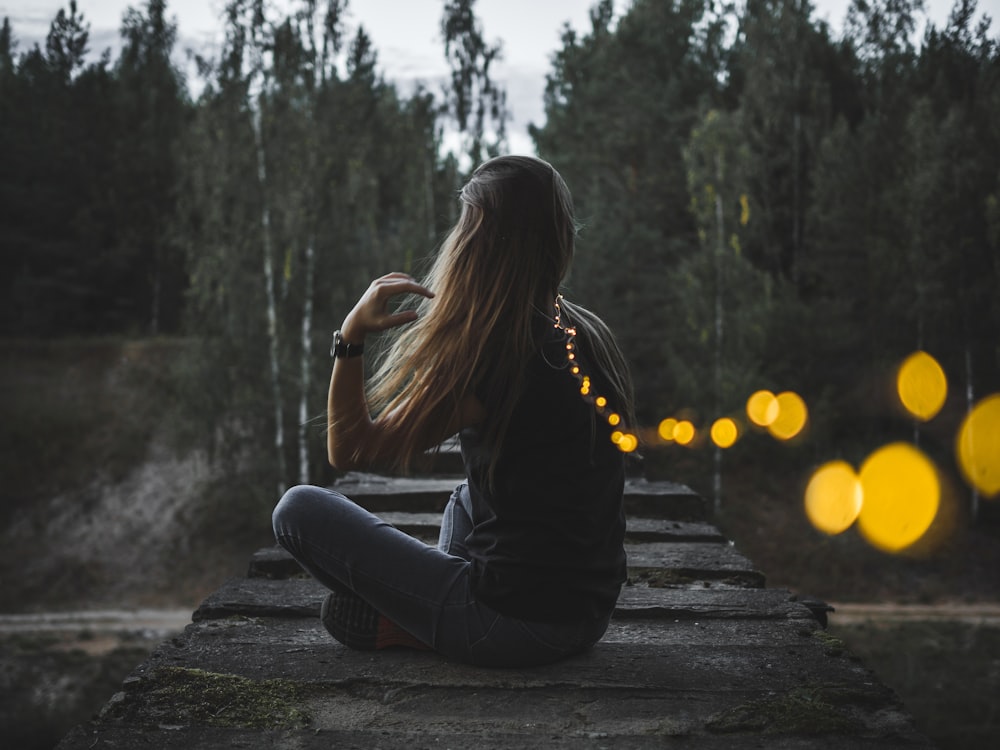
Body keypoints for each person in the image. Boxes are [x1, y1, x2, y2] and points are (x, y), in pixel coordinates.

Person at [272, 155, 635, 667]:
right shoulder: (582, 330)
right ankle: (431, 611)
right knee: (467, 498)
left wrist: (350, 336)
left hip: (516, 626)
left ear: (477, 240)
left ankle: (423, 621)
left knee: (297, 510)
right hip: (587, 615)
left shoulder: (496, 356)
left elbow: (348, 448)